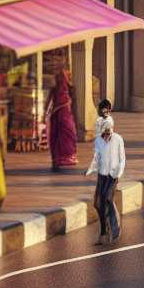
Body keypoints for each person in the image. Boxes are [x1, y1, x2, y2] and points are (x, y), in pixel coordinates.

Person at [87, 112, 125, 245]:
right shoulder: (98, 141)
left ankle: (115, 227)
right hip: (102, 175)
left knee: (107, 199)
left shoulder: (118, 140)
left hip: (113, 175)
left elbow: (122, 159)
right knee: (98, 203)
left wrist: (117, 175)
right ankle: (104, 230)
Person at [47, 68, 78, 171]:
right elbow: (52, 95)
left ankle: (60, 159)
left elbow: (51, 96)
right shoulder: (59, 80)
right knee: (59, 135)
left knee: (66, 134)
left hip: (63, 111)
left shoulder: (65, 82)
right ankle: (59, 160)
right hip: (60, 111)